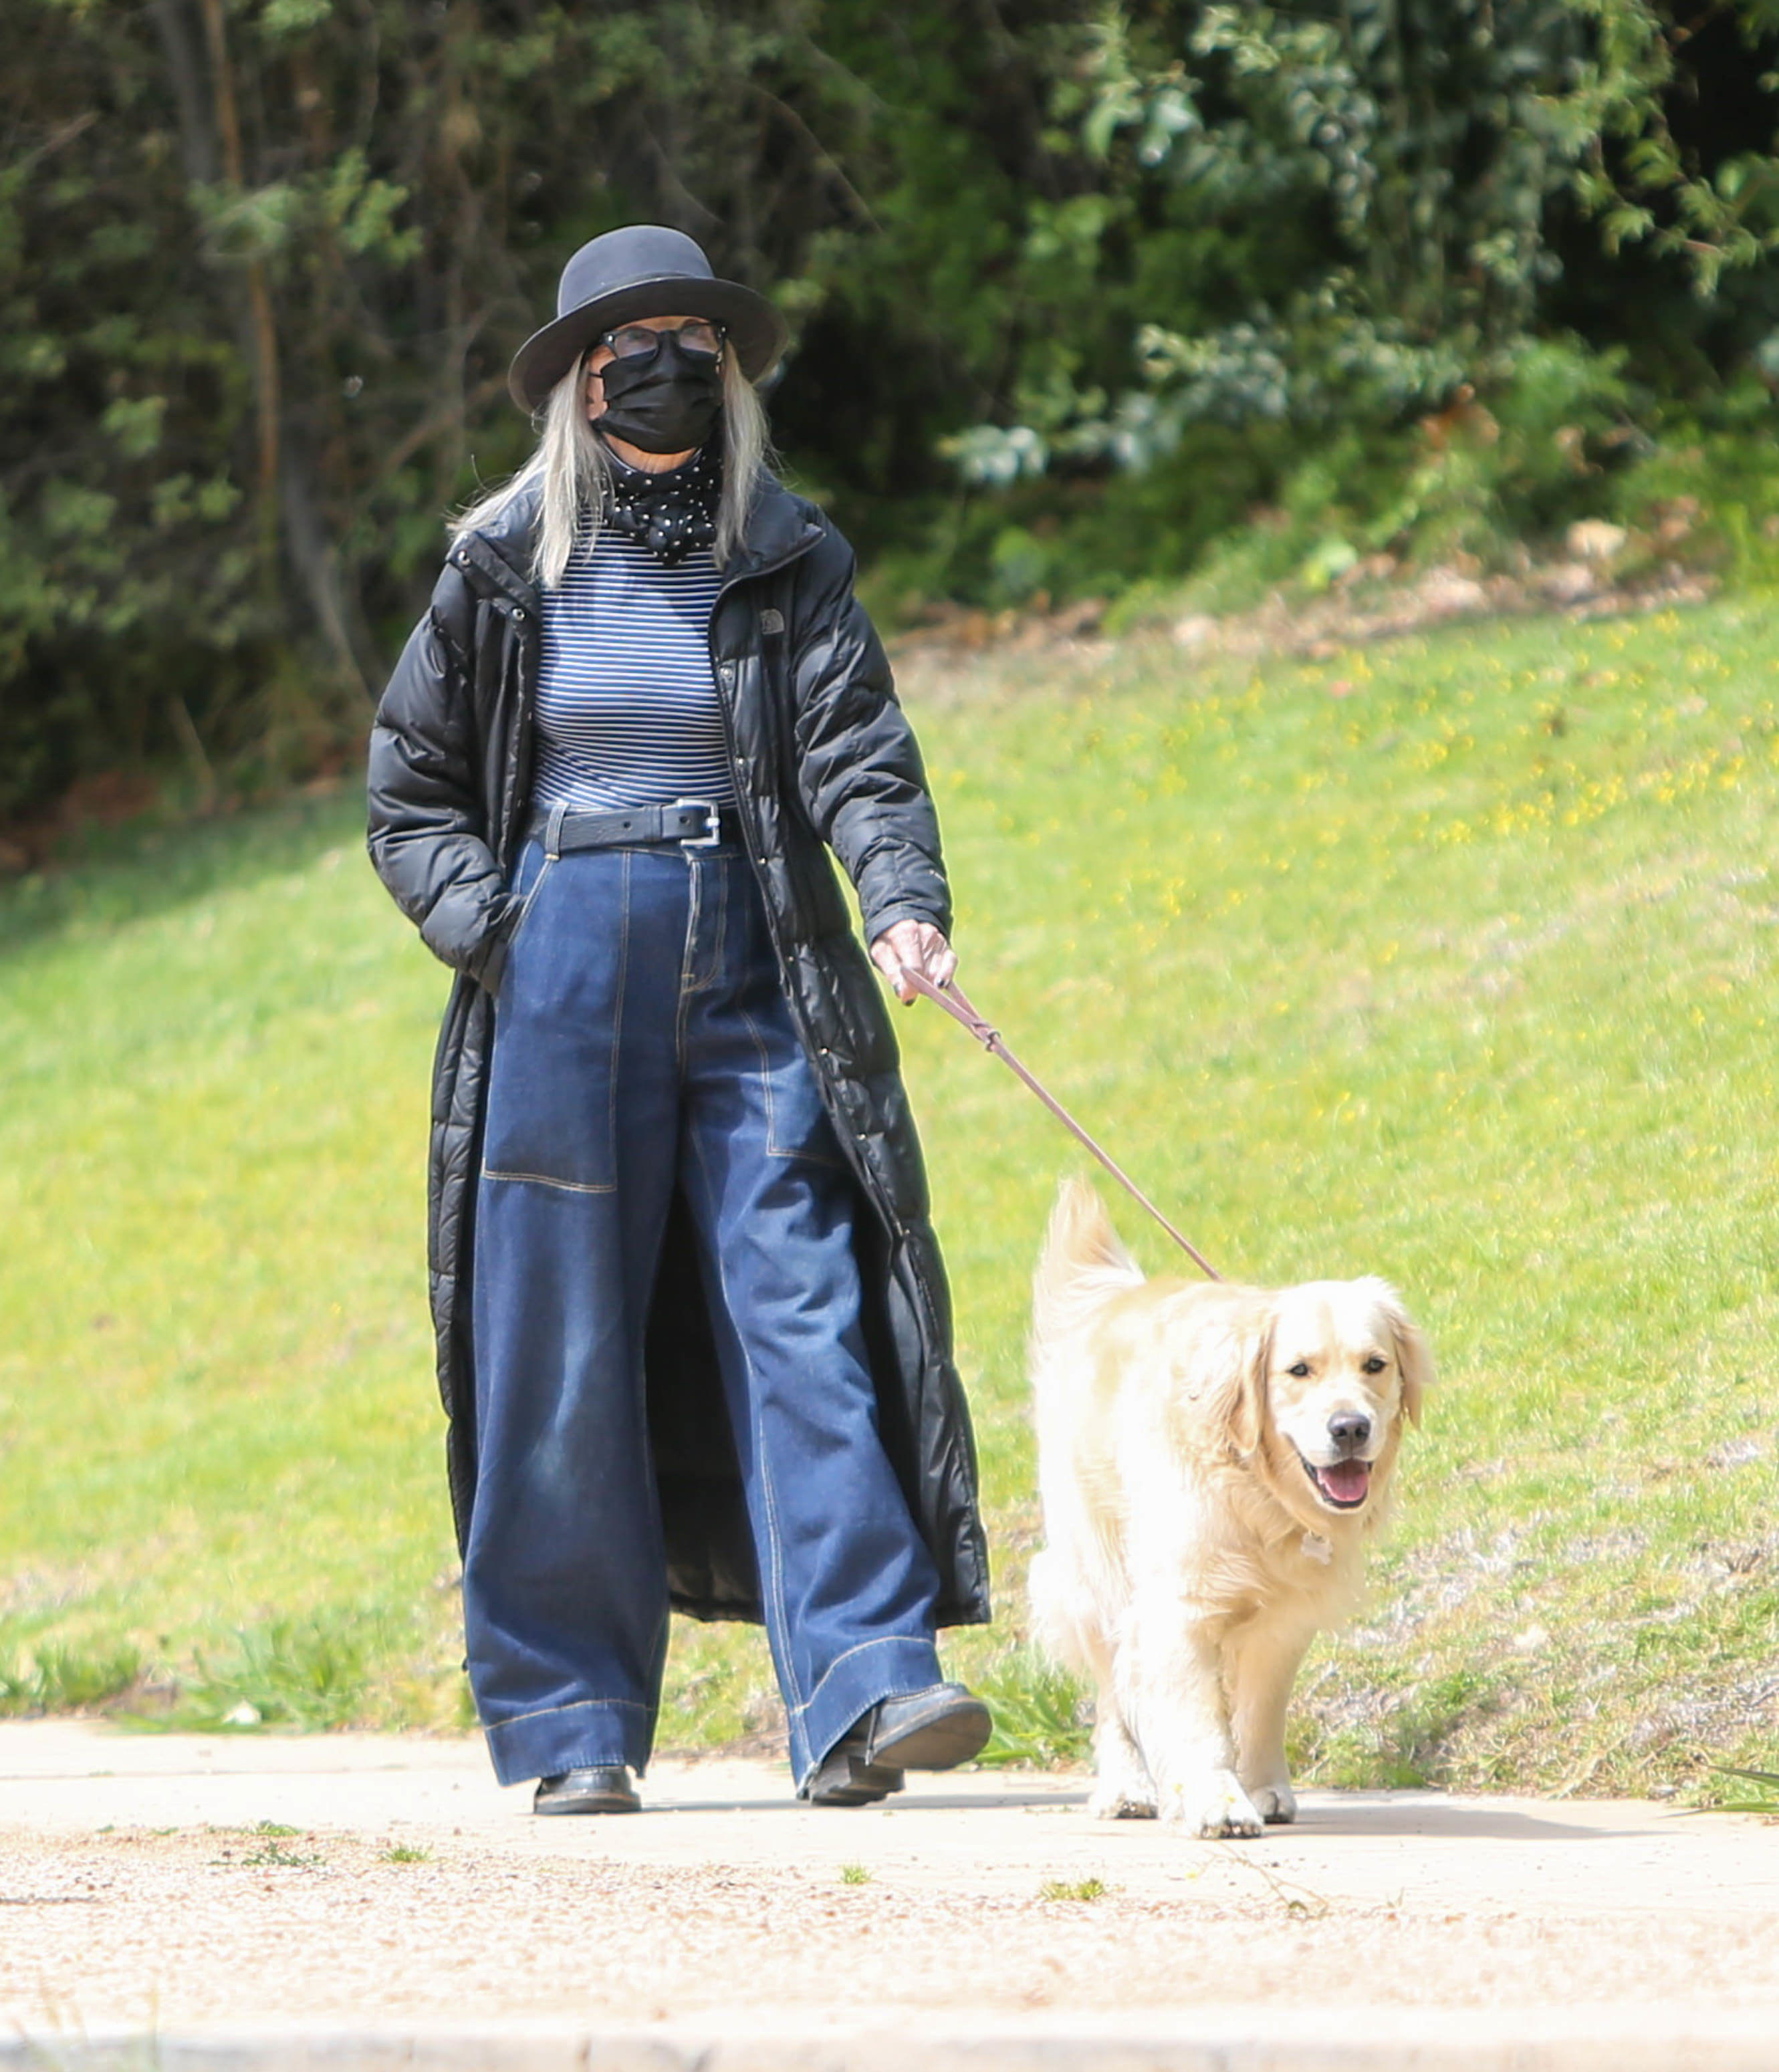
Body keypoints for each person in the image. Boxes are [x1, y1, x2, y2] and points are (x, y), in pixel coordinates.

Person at [366, 225, 991, 1813]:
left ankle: (866, 1686)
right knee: (553, 1340)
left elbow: (858, 749)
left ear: (726, 370)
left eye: (691, 339)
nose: (662, 362)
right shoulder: (501, 565)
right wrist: (496, 930)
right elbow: (410, 795)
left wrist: (899, 893)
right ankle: (570, 1722)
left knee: (806, 1304)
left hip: (755, 954)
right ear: (579, 376)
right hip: (560, 958)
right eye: (628, 339)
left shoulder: (787, 555)